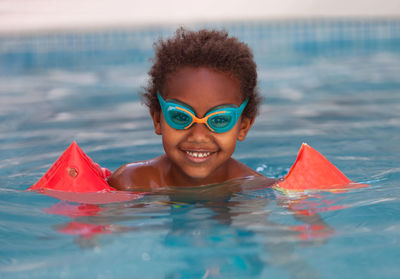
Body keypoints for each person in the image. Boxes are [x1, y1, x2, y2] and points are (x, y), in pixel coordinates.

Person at [108, 27, 276, 190]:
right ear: (158, 120)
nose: (198, 136)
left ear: (243, 127)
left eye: (219, 120)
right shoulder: (132, 183)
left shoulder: (254, 189)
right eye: (181, 117)